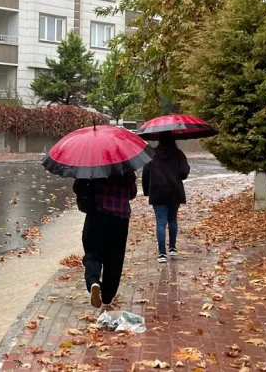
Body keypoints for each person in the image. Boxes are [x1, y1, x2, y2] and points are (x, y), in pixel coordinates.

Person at [73, 171, 137, 309]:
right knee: (115, 258)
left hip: (97, 215)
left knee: (92, 253)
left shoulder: (93, 167)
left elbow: (78, 188)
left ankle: (93, 282)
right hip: (120, 219)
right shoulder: (126, 169)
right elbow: (132, 193)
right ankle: (107, 297)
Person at [142, 131, 190, 263]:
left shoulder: (152, 154)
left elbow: (146, 174)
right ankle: (173, 248)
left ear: (159, 139)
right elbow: (185, 172)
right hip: (174, 191)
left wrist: (147, 191)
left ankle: (162, 254)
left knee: (161, 222)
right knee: (172, 220)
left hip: (157, 191)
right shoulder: (178, 154)